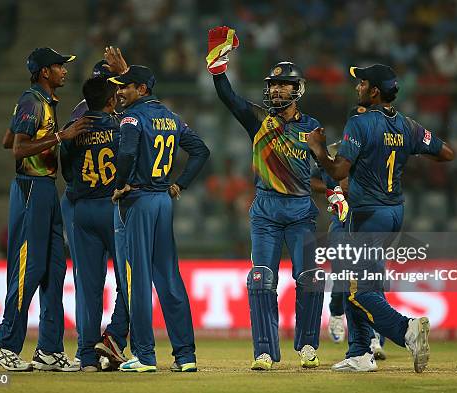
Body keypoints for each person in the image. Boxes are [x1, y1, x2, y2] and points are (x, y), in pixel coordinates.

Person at [307, 64, 454, 373]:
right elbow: (446, 153)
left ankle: (406, 330)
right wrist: (406, 150)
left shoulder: (360, 123)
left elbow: (338, 172)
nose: (357, 87)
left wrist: (319, 150)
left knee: (359, 290)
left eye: (362, 83)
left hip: (366, 214)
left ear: (374, 91)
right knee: (357, 282)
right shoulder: (408, 126)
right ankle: (360, 354)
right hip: (393, 213)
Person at [207, 26, 324, 370]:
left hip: (302, 210)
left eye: (282, 85)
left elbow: (326, 167)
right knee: (261, 278)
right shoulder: (258, 119)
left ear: (297, 89)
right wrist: (218, 70)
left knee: (310, 278)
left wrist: (334, 190)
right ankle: (264, 351)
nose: (275, 90)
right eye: (272, 85)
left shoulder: (313, 127)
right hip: (266, 212)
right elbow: (228, 97)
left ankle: (307, 347)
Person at [0, 47, 91, 372]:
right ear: (45, 71)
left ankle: (49, 350)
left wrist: (44, 136)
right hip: (31, 188)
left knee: (54, 270)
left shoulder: (41, 102)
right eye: (59, 66)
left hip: (45, 187)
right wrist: (60, 136)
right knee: (29, 269)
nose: (64, 70)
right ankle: (2, 345)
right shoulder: (33, 100)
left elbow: (7, 138)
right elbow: (17, 147)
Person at [109, 65, 210, 373]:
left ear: (142, 89)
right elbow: (201, 151)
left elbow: (126, 155)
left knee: (134, 281)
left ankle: (144, 355)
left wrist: (120, 183)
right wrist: (180, 183)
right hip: (163, 201)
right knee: (168, 278)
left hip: (136, 201)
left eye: (126, 87)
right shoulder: (172, 117)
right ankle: (185, 355)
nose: (120, 92)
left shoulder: (131, 118)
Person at [60, 57, 130, 371]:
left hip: (81, 205)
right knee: (129, 279)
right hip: (113, 206)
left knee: (87, 285)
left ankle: (86, 355)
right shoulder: (122, 123)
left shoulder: (77, 119)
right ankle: (116, 341)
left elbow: (65, 167)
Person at [311, 139, 387, 360]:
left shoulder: (374, 158)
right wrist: (331, 189)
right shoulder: (335, 155)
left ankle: (374, 339)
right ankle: (336, 311)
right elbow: (311, 181)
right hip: (342, 222)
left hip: (369, 225)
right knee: (343, 276)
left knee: (374, 277)